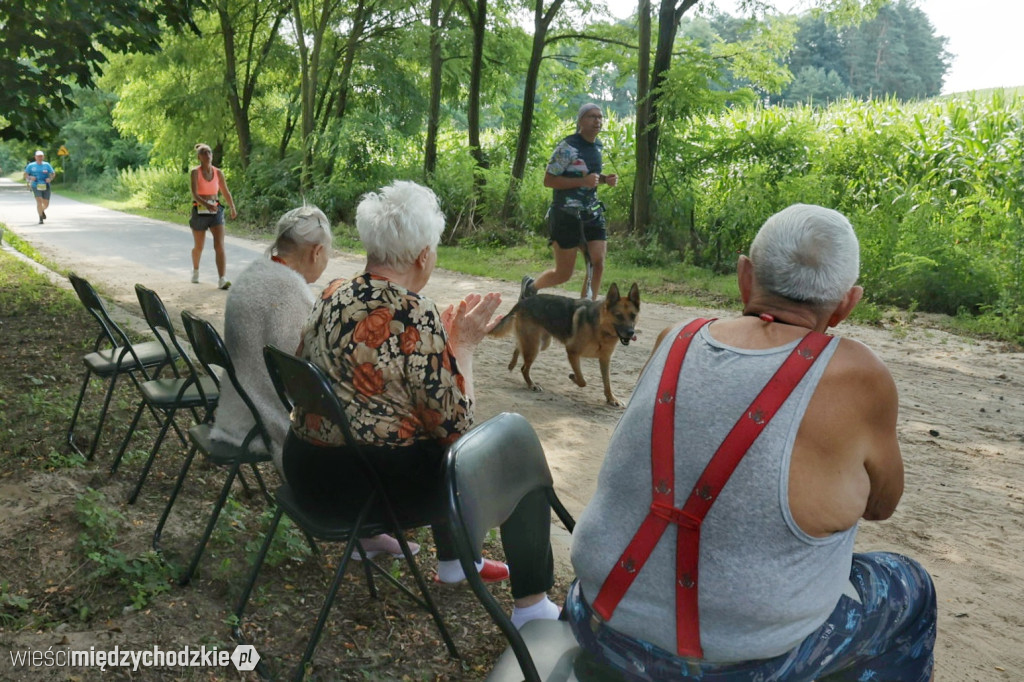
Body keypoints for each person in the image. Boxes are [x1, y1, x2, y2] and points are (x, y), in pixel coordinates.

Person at [568, 204, 936, 681]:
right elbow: (882, 505)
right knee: (913, 588)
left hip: (599, 622)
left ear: (745, 276)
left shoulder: (674, 338)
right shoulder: (861, 375)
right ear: (847, 304)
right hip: (742, 664)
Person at [288, 180, 561, 626]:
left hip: (308, 469)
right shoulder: (414, 314)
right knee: (516, 452)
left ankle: (457, 563)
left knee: (412, 425)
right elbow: (459, 430)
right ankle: (533, 607)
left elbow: (340, 380)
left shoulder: (332, 292)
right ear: (422, 256)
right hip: (364, 491)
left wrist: (443, 352)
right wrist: (464, 349)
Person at [209, 205, 410, 558]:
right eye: (327, 255)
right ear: (317, 252)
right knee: (367, 419)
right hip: (263, 415)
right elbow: (309, 369)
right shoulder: (289, 292)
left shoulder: (254, 274)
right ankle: (364, 528)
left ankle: (367, 527)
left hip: (237, 405)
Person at [523, 102, 618, 300]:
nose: (597, 121)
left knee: (597, 263)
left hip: (592, 213)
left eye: (600, 117)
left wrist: (604, 180)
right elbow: (549, 180)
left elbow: (588, 177)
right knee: (564, 273)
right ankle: (531, 288)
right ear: (580, 121)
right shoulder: (567, 147)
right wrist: (583, 181)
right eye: (592, 116)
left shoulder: (597, 147)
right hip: (566, 215)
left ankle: (585, 309)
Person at [189, 143, 237, 289]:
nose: (207, 155)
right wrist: (206, 204)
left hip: (215, 210)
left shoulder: (218, 172)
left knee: (219, 245)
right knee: (199, 246)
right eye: (203, 153)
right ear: (199, 157)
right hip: (200, 210)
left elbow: (225, 191)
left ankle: (222, 278)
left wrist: (232, 207)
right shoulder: (195, 172)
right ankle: (196, 270)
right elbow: (195, 194)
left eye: (209, 152)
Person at [24, 150, 55, 224]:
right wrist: (30, 178)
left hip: (45, 185)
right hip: (35, 185)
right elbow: (25, 174)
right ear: (35, 157)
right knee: (39, 201)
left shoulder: (47, 165)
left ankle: (42, 210)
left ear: (43, 157)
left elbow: (53, 173)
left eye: (41, 156)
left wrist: (50, 179)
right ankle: (40, 218)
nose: (40, 158)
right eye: (38, 156)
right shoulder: (31, 165)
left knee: (46, 204)